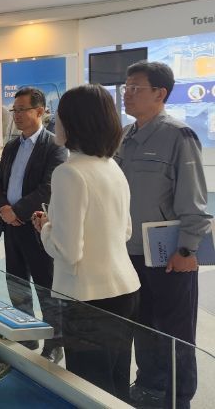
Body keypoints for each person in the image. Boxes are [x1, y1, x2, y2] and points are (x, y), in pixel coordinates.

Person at [33, 84, 140, 402]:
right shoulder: (112, 166)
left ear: (75, 122)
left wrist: (46, 228)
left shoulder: (69, 173)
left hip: (88, 298)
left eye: (60, 115)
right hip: (124, 290)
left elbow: (68, 251)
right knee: (116, 386)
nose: (55, 121)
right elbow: (125, 231)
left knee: (90, 390)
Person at [115, 61, 212, 409]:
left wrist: (188, 249)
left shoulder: (178, 136)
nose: (127, 94)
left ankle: (177, 397)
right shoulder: (124, 137)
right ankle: (149, 386)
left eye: (136, 88)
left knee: (174, 332)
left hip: (169, 254)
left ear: (160, 93)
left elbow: (194, 199)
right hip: (129, 253)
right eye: (126, 87)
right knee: (142, 325)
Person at [0, 87, 67, 363]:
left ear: (40, 111)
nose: (17, 115)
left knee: (46, 286)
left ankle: (55, 342)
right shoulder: (12, 146)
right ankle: (26, 332)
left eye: (22, 110)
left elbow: (49, 187)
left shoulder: (54, 146)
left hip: (37, 227)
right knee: (16, 282)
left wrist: (18, 211)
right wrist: (4, 208)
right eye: (15, 110)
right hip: (11, 226)